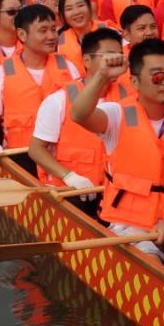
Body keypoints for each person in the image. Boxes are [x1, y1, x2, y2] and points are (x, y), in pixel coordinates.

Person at [70, 38, 164, 266]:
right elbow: (79, 115)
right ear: (135, 81)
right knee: (152, 266)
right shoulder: (117, 114)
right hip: (129, 226)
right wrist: (102, 75)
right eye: (157, 76)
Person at [0, 4, 80, 176]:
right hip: (21, 158)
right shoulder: (0, 74)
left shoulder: (69, 67)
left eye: (54, 30)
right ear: (22, 34)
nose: (51, 36)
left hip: (64, 158)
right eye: (43, 30)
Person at [29, 27, 122, 219]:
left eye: (119, 56)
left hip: (114, 191)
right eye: (108, 56)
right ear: (87, 61)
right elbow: (36, 150)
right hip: (71, 191)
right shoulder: (59, 100)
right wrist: (70, 177)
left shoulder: (131, 98)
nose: (114, 61)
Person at [56, 0, 101, 71]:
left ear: (89, 7)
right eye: (69, 9)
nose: (76, 12)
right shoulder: (58, 42)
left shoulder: (110, 31)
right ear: (62, 16)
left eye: (80, 5)